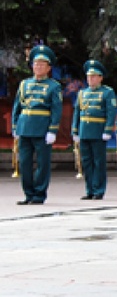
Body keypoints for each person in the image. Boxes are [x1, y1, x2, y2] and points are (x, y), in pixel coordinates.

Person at [11, 45, 63, 205]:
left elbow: (56, 109)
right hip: (25, 127)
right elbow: (17, 106)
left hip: (42, 129)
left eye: (42, 64)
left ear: (48, 68)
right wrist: (15, 126)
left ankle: (39, 194)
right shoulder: (24, 84)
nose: (38, 67)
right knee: (24, 163)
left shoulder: (54, 86)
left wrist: (53, 130)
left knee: (42, 163)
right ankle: (28, 193)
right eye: (35, 64)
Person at [71, 60, 117, 200]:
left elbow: (111, 112)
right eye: (89, 76)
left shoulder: (107, 92)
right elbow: (77, 113)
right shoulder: (82, 93)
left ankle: (99, 189)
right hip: (85, 131)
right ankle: (89, 189)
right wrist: (75, 131)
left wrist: (108, 130)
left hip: (98, 131)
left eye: (94, 76)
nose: (90, 79)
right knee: (87, 162)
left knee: (98, 162)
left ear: (100, 78)